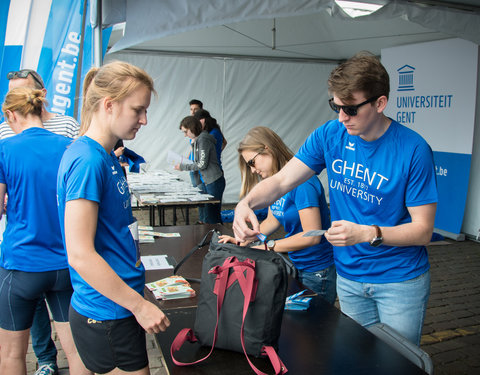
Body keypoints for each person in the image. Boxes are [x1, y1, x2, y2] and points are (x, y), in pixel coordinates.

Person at [233, 52, 438, 346]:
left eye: (351, 109)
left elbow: (423, 230)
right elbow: (281, 180)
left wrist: (368, 233)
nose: (342, 118)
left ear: (380, 103)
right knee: (358, 358)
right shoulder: (330, 135)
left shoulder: (413, 150)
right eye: (336, 106)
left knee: (398, 363)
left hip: (399, 280)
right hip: (349, 277)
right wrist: (245, 204)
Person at [56, 61, 170, 374]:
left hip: (113, 305)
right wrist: (139, 306)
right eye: (138, 110)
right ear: (109, 105)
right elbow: (79, 254)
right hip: (108, 311)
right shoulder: (88, 161)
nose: (144, 120)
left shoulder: (104, 156)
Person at [0, 87, 90, 375]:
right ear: (40, 110)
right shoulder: (70, 146)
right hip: (67, 262)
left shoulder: (6, 148)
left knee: (12, 354)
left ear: (11, 115)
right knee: (77, 351)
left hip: (21, 264)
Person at [219, 127, 336, 303]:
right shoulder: (275, 184)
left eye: (252, 162)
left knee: (314, 327)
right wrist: (243, 241)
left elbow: (312, 236)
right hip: (297, 265)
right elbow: (272, 221)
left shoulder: (303, 183)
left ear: (267, 150)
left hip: (317, 272)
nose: (252, 170)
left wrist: (267, 246)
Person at [175, 116, 225, 224]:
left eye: (186, 132)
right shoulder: (198, 140)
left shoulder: (203, 140)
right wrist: (193, 144)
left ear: (192, 128)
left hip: (214, 180)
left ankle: (217, 237)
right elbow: (197, 160)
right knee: (209, 213)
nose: (185, 135)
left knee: (212, 215)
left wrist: (183, 167)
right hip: (208, 181)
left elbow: (201, 164)